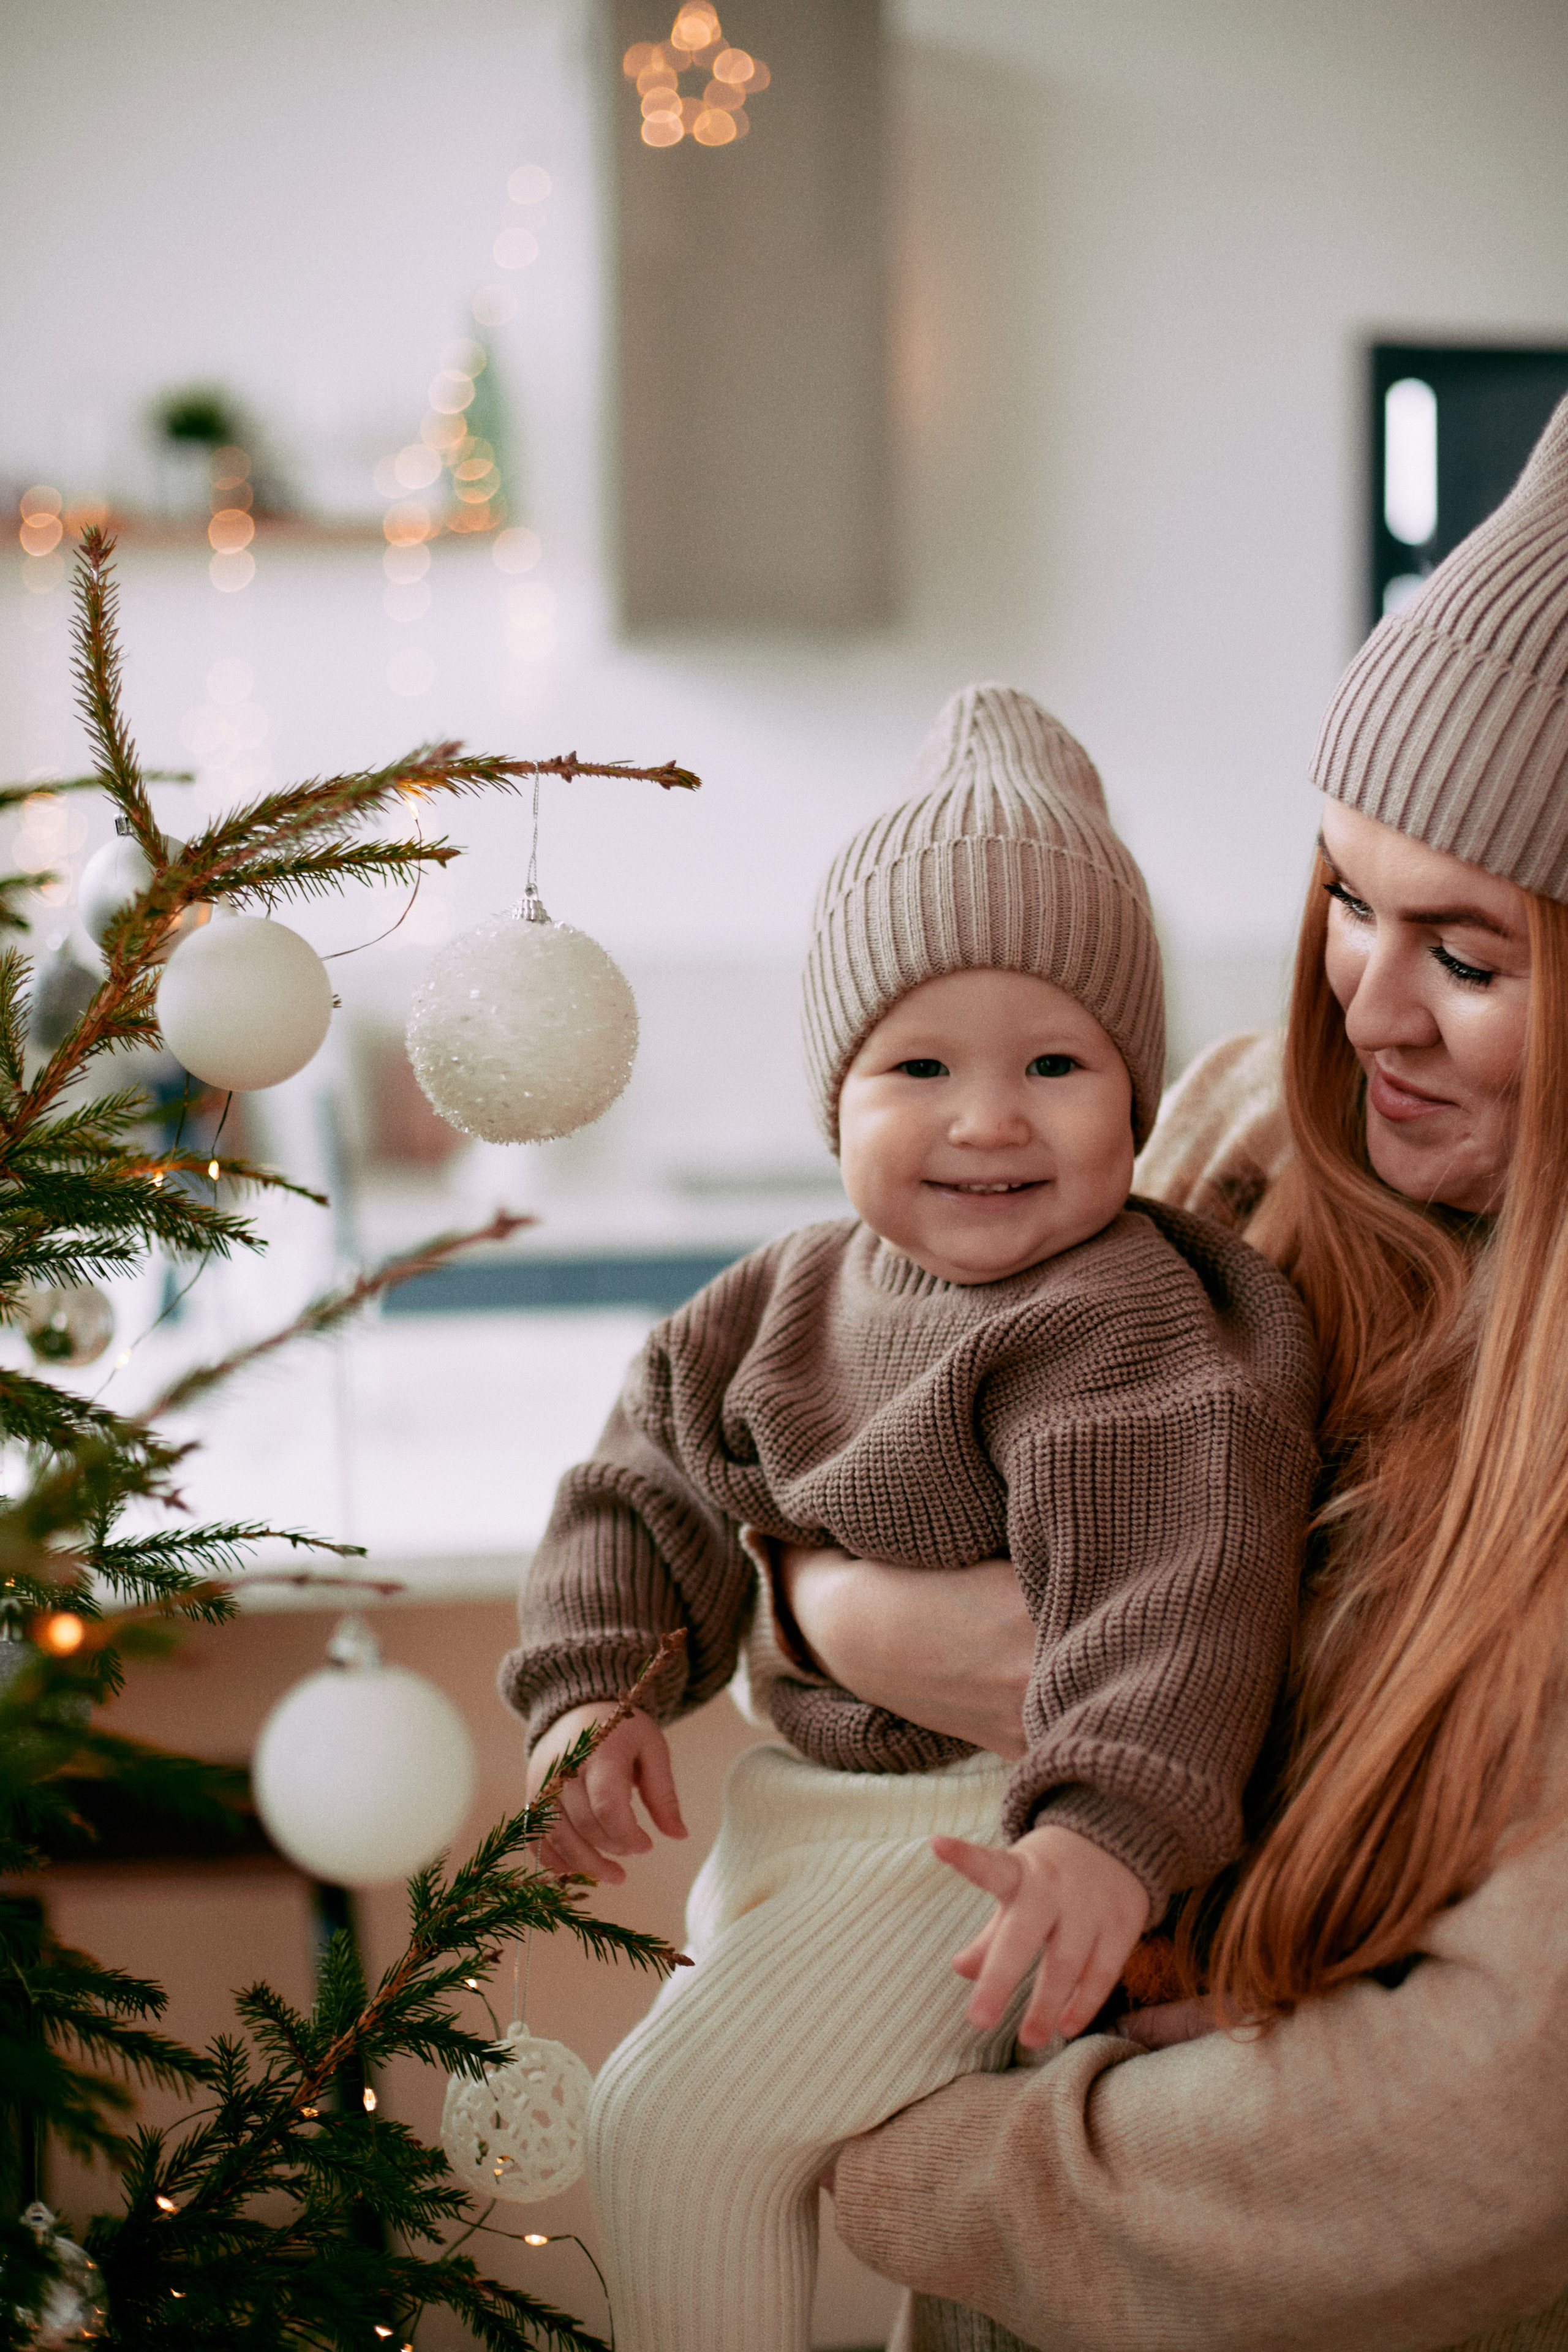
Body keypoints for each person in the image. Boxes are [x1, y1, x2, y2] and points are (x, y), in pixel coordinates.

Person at [790, 392, 1568, 2351]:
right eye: (1348, 905)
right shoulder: (1233, 1145)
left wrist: (905, 2164)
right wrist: (844, 1615)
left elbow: (1492, 2132)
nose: (1365, 1007)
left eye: (1468, 957)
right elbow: (844, 1458)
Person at [500, 685, 1318, 2352]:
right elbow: (642, 1479)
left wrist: (1102, 1834)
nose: (989, 1117)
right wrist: (592, 1686)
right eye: (921, 1063)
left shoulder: (1129, 1322)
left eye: (1056, 1063)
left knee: (668, 2127)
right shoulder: (779, 1300)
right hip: (801, 1824)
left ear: (1137, 1091)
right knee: (959, 2303)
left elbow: (1188, 1595)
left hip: (983, 1843)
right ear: (836, 1091)